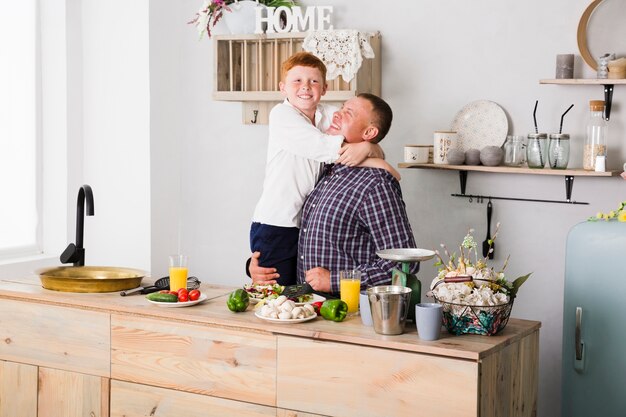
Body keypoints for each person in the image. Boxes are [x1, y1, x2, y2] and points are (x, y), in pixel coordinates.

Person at [250, 52, 398, 286]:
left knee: (295, 293)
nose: (305, 87)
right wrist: (374, 156)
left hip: (301, 222)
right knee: (278, 295)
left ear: (325, 88)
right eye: (296, 81)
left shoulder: (326, 114)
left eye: (314, 81)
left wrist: (369, 148)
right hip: (277, 222)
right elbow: (327, 148)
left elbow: (361, 136)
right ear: (282, 88)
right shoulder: (282, 115)